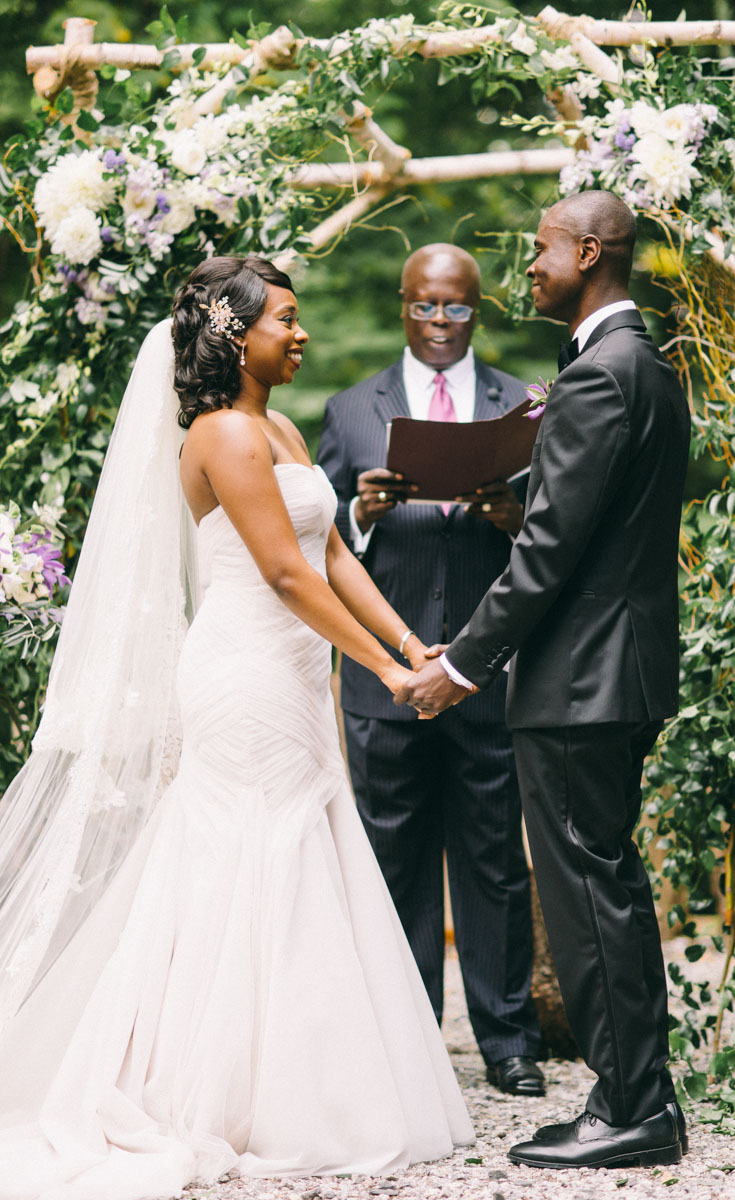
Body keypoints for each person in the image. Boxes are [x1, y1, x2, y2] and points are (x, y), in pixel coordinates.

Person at [0, 256, 473, 1200]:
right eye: (284, 320)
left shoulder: (283, 426)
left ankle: (306, 1077)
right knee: (244, 851)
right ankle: (215, 1088)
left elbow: (331, 551)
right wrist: (384, 672)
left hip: (297, 671)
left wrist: (412, 643)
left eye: (299, 319)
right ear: (233, 333)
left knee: (308, 841)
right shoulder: (221, 434)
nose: (299, 335)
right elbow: (283, 576)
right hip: (244, 674)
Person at [396, 192, 691, 1170]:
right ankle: (637, 1097)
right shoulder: (636, 363)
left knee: (587, 896)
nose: (528, 267)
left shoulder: (600, 375)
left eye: (540, 250)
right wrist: (510, 501)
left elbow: (551, 556)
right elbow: (584, 523)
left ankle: (630, 1110)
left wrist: (461, 665)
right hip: (617, 669)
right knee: (606, 885)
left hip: (582, 679)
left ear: (589, 252)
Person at [317, 243, 544, 1097]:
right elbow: (319, 540)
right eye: (425, 307)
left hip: (488, 669)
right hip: (386, 675)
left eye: (458, 309)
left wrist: (513, 511)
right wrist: (364, 514)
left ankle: (509, 1044)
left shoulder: (524, 403)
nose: (441, 324)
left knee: (493, 859)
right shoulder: (348, 410)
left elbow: (556, 531)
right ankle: (409, 1041)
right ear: (402, 304)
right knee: (396, 860)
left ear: (477, 310)